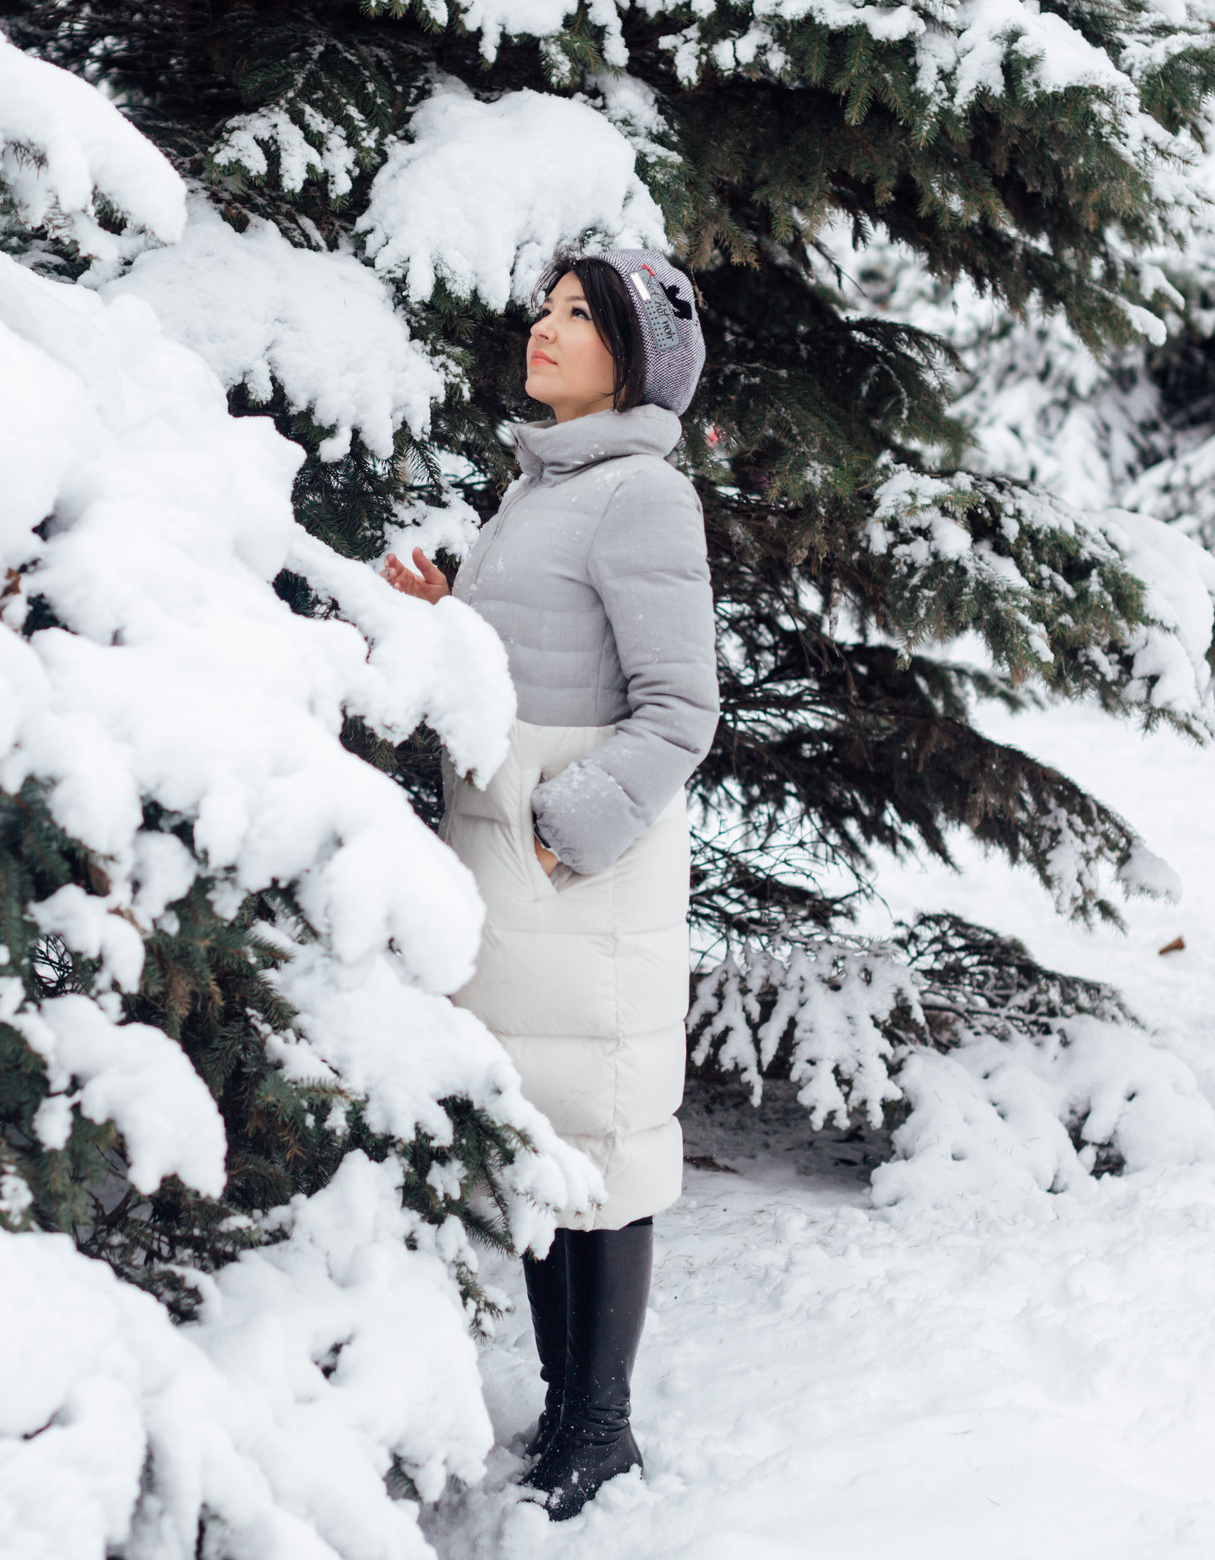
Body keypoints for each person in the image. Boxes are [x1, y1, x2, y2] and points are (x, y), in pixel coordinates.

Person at [381, 247, 718, 1521]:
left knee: (605, 1135)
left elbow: (679, 709)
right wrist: (446, 616)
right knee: (541, 1132)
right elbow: (534, 657)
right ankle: (564, 1402)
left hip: (584, 871)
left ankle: (601, 1424)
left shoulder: (642, 494)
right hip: (516, 865)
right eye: (547, 306)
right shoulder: (544, 487)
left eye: (580, 315)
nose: (546, 326)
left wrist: (564, 828)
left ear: (636, 360)